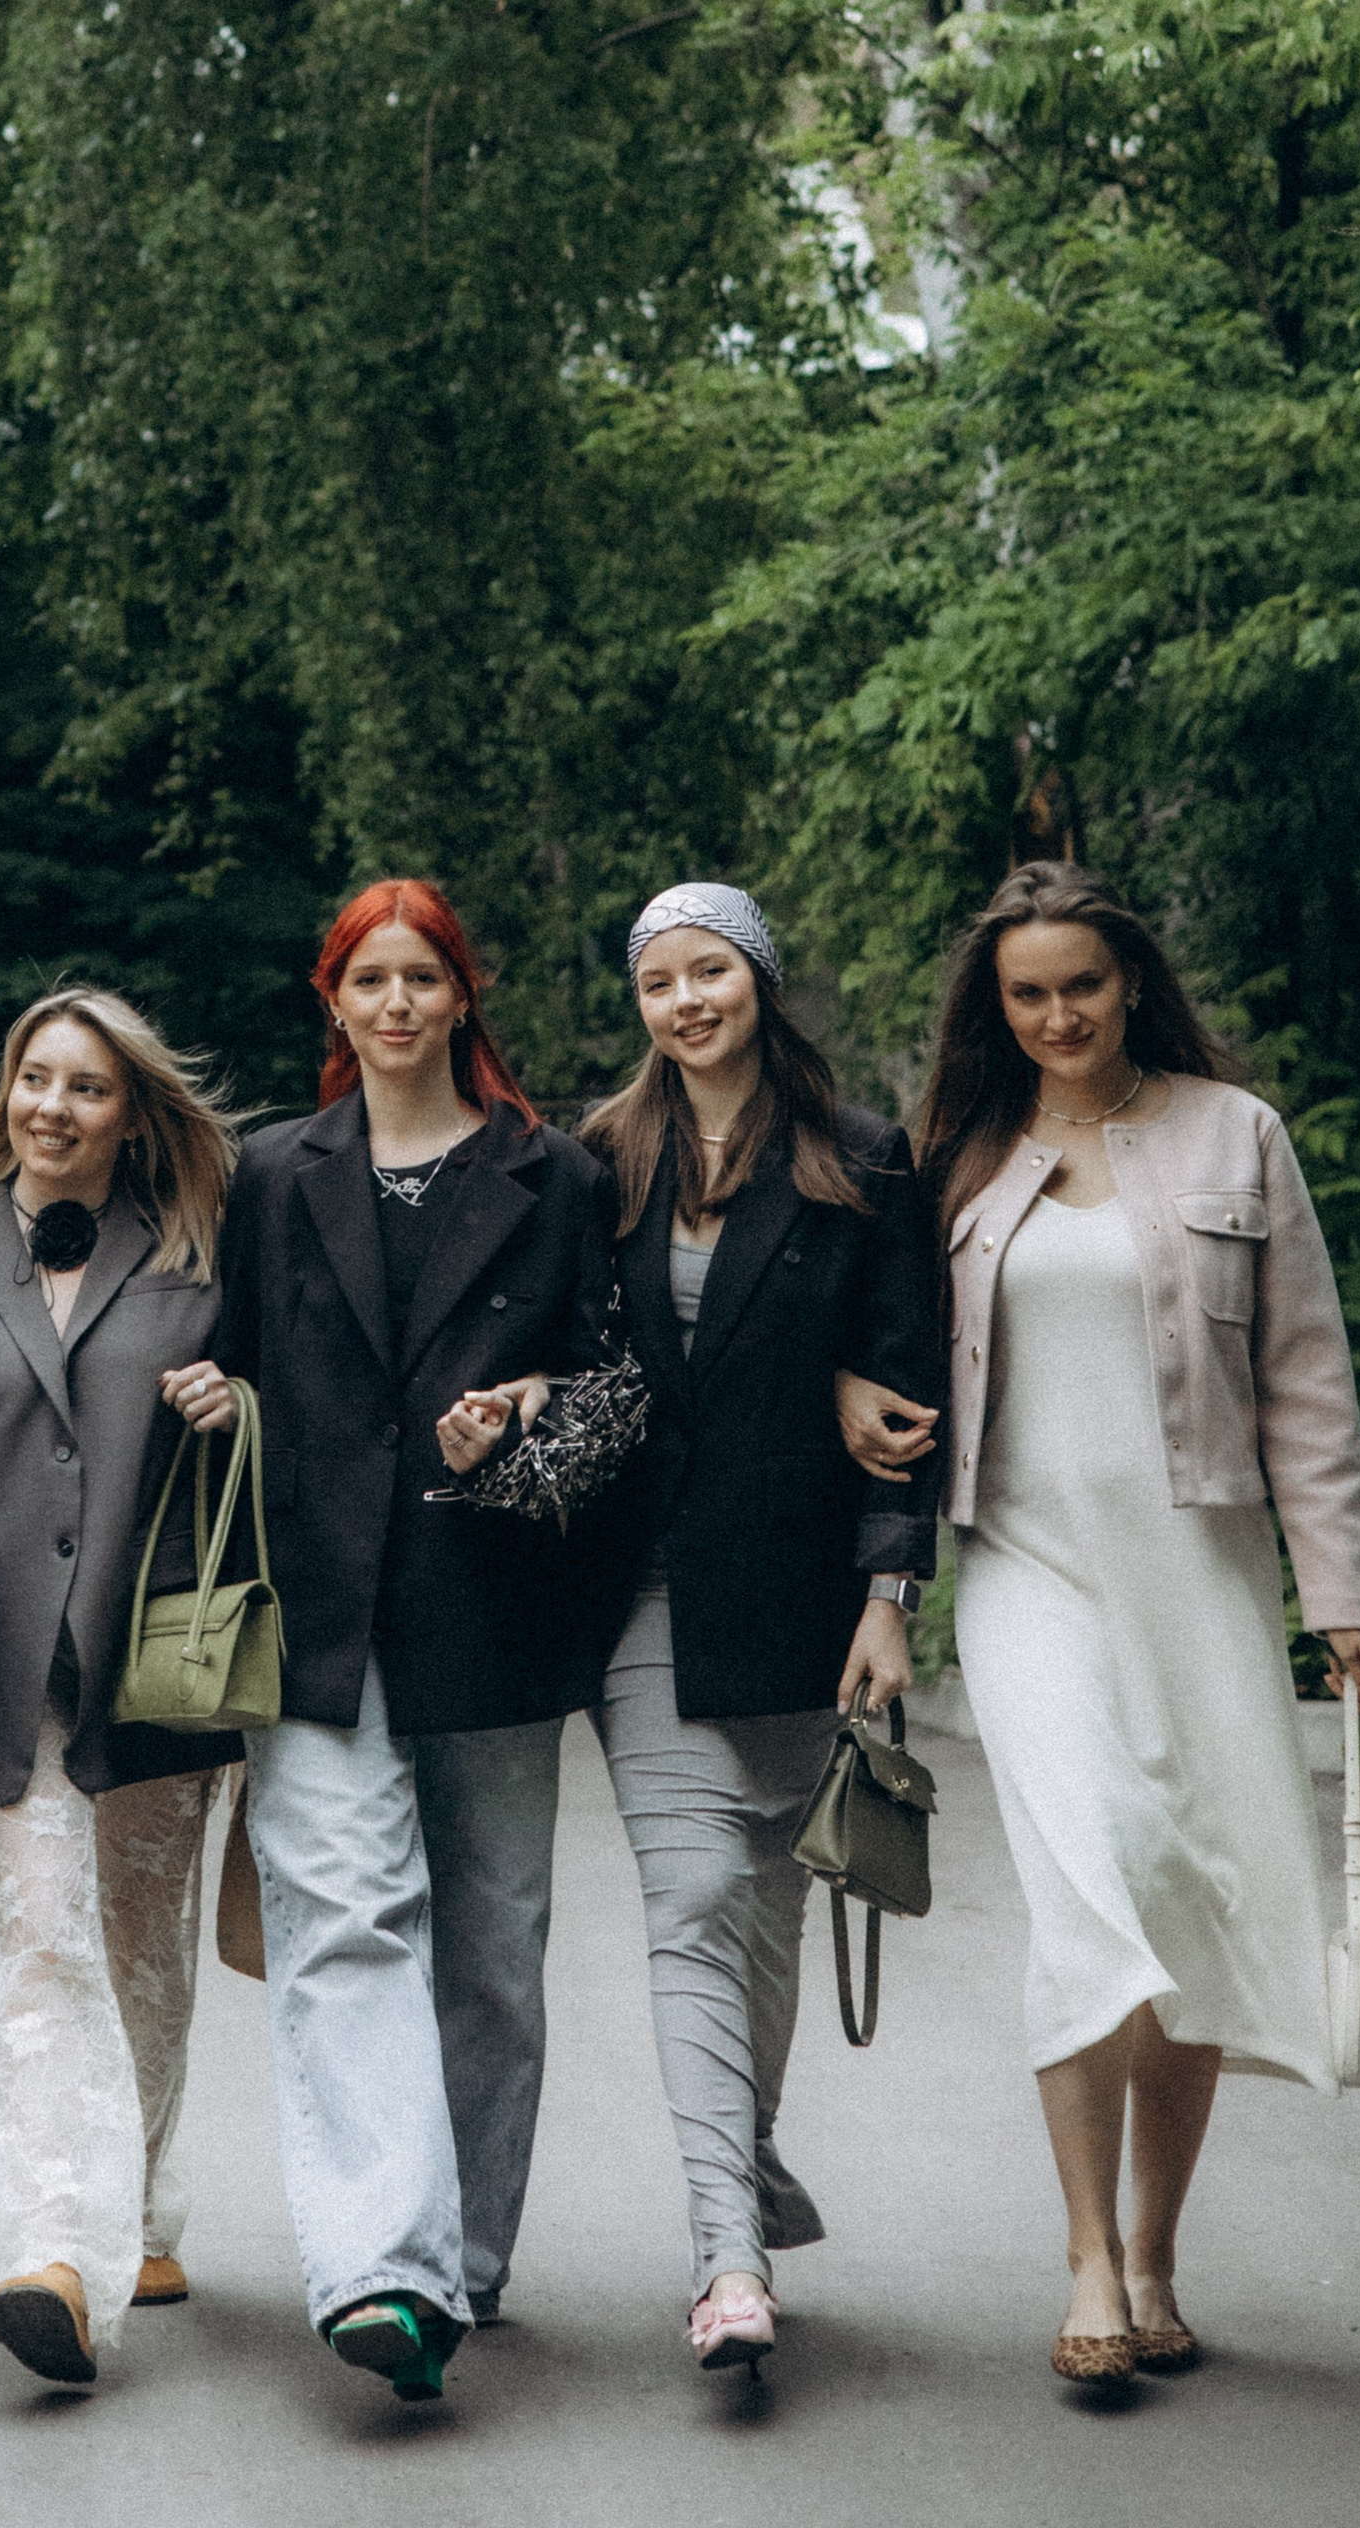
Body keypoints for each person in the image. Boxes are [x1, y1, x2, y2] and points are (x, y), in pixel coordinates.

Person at [910, 859, 1360, 2393]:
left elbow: (1309, 1382)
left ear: (1131, 982)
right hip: (1024, 1569)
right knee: (1082, 1896)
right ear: (998, 1007)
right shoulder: (959, 1156)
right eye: (1028, 994)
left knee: (1183, 1899)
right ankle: (1088, 2258)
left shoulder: (1234, 1134)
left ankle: (1161, 2246)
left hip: (1202, 1569)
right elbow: (874, 1346)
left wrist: (1345, 1598)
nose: (1058, 1016)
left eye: (1083, 986)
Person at [171, 878, 615, 2401]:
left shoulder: (551, 1176)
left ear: (462, 999)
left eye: (426, 978)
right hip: (319, 1609)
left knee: (492, 1950)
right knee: (347, 1929)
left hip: (496, 1606)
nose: (401, 1004)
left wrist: (538, 1404)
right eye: (373, 980)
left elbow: (610, 1371)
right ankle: (379, 2266)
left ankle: (465, 2259)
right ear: (336, 1001)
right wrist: (220, 1395)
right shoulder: (275, 1173)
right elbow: (232, 1350)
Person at [578, 882, 943, 2373]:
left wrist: (890, 1593)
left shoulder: (858, 1157)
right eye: (659, 980)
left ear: (759, 983)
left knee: (774, 1911)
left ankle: (747, 2143)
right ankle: (728, 2258)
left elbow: (904, 1375)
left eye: (710, 971)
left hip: (803, 1587)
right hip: (644, 1582)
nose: (685, 1001)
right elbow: (554, 1338)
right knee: (690, 1904)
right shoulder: (599, 1158)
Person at [0, 989, 244, 2391]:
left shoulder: (207, 1245)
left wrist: (236, 1399)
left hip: (155, 1647)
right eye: (37, 1080)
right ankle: (56, 2258)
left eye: (89, 1089)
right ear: (6, 1091)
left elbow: (278, 1401)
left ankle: (143, 2209)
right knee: (39, 1948)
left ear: (131, 1111)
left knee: (144, 1957)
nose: (55, 1108)